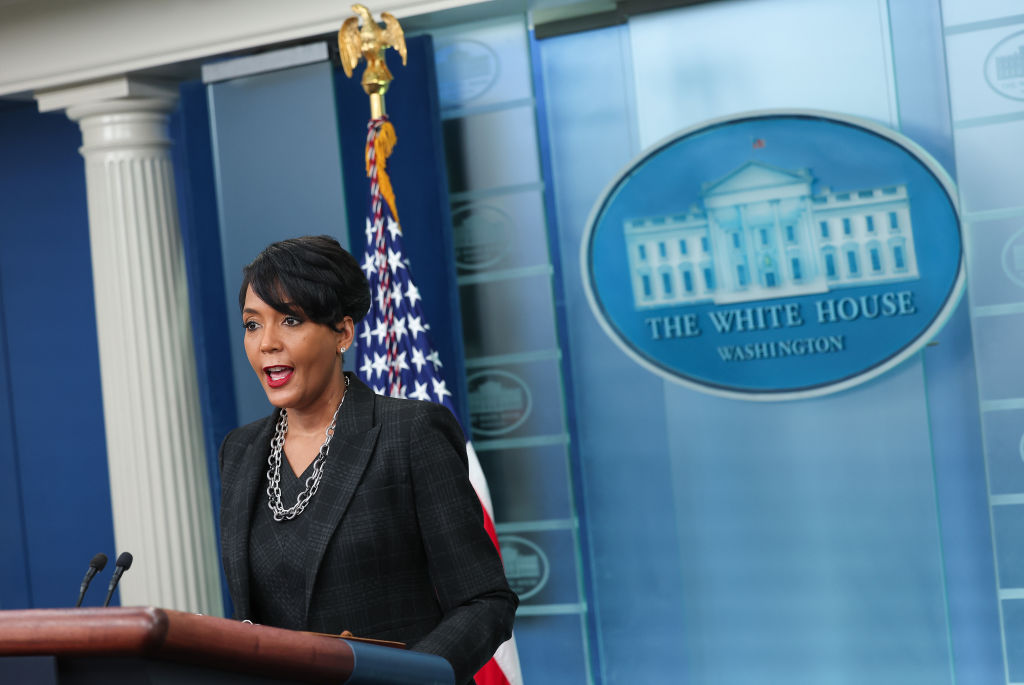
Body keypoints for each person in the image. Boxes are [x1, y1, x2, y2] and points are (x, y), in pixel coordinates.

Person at [218, 235, 517, 684]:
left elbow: (486, 601)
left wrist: (402, 678)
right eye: (252, 324)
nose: (267, 343)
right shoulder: (239, 452)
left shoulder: (412, 433)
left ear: (343, 332)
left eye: (290, 320)